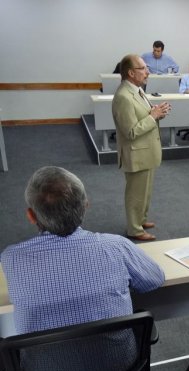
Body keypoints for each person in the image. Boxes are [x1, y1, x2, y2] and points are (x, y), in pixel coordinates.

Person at [0, 166, 165, 335]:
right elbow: (155, 279)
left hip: (44, 362)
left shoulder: (11, 258)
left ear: (31, 216)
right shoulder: (116, 246)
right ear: (86, 206)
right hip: (120, 360)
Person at [112, 54, 171, 241]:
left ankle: (141, 219)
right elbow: (130, 131)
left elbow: (143, 115)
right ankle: (134, 230)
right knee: (136, 194)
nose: (148, 72)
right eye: (143, 68)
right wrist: (153, 116)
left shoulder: (137, 90)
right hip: (136, 153)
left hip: (146, 151)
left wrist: (156, 112)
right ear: (131, 72)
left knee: (145, 191)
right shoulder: (123, 96)